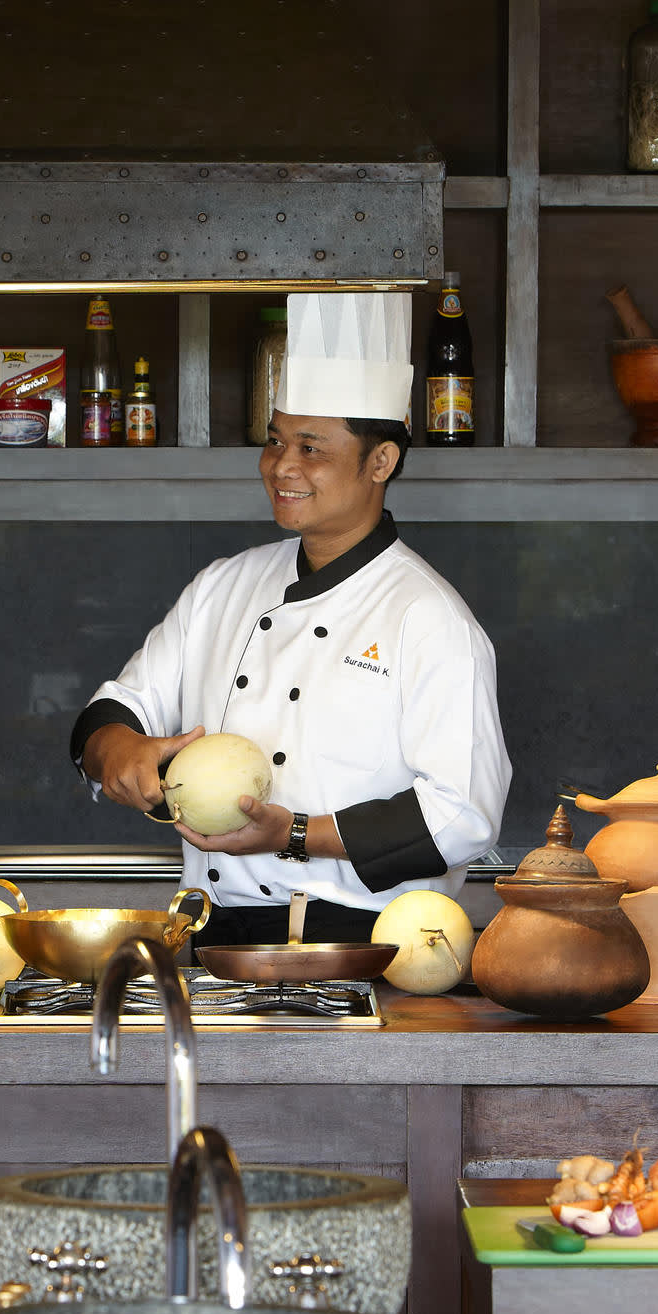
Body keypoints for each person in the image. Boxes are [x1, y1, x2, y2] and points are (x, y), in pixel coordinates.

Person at [71, 292, 509, 949]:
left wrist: (295, 832)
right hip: (215, 945)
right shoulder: (225, 585)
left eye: (311, 448)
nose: (281, 466)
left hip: (362, 953)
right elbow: (116, 709)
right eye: (275, 441)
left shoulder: (428, 617)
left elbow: (463, 815)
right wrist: (122, 752)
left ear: (380, 462)